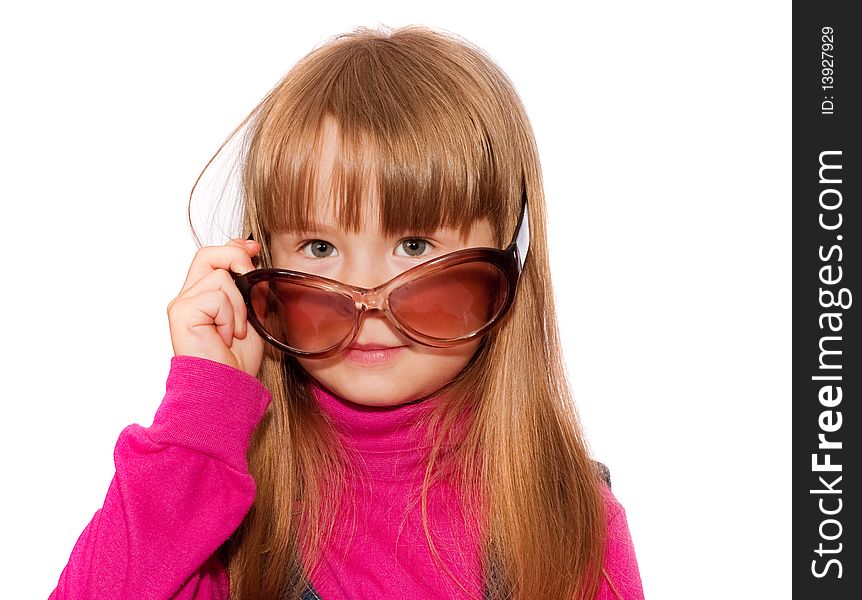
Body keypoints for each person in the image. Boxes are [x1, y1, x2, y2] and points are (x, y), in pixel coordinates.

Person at [49, 25, 644, 600]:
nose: (364, 294)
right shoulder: (214, 499)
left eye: (414, 245)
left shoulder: (569, 517)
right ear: (260, 266)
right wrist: (202, 415)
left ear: (505, 270)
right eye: (320, 248)